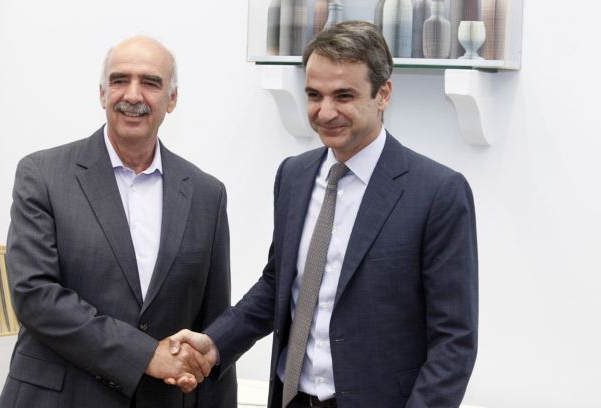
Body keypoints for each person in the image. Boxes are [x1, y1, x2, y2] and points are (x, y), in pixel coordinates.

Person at [172, 21, 478, 408]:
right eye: (314, 95)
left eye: (344, 96)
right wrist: (215, 343)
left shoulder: (438, 193)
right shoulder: (293, 175)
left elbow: (454, 342)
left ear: (383, 94)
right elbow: (278, 285)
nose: (326, 111)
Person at [0, 36, 237, 408]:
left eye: (151, 82)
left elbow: (213, 325)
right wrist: (145, 355)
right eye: (120, 80)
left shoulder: (207, 194)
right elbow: (35, 296)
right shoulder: (42, 175)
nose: (133, 95)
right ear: (102, 93)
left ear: (172, 99)